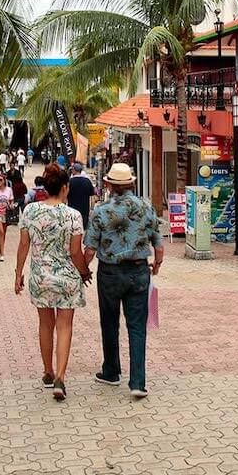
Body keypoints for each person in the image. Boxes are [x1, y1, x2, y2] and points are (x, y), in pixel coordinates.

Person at [83, 163, 163, 399]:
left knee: (109, 322)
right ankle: (138, 382)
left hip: (109, 273)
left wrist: (83, 269)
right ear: (132, 183)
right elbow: (158, 245)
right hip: (139, 272)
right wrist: (156, 266)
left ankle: (111, 371)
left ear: (109, 185)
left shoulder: (100, 210)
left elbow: (89, 248)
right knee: (137, 327)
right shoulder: (146, 207)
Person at [15, 163, 92, 400]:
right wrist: (84, 272)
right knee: (65, 326)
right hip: (67, 279)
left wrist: (18, 274)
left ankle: (47, 371)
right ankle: (60, 376)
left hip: (40, 277)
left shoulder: (30, 211)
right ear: (65, 188)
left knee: (45, 325)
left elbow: (24, 245)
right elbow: (76, 252)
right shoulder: (73, 215)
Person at [66, 162, 95, 229]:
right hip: (85, 210)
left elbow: (65, 196)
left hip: (72, 210)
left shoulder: (70, 182)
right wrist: (92, 208)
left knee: (73, 228)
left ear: (74, 170)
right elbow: (92, 197)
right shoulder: (87, 181)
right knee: (84, 228)